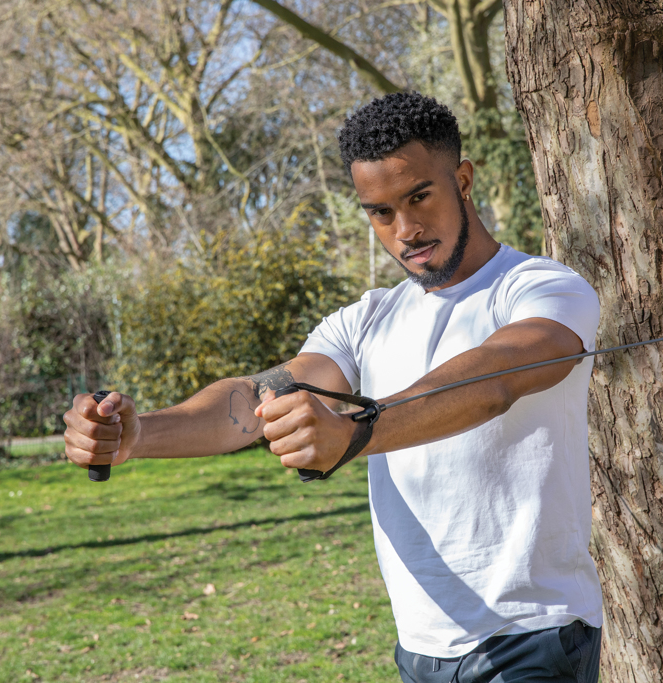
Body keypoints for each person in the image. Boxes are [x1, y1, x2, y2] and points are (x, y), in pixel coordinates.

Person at [64, 92, 603, 682]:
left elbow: (495, 377)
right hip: (421, 645)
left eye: (419, 196)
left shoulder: (542, 288)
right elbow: (250, 399)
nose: (407, 229)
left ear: (463, 180)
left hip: (532, 636)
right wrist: (138, 435)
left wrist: (355, 433)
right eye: (380, 212)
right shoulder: (365, 320)